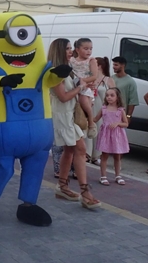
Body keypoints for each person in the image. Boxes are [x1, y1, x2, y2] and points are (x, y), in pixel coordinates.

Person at [48, 38, 101, 210]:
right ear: (59, 50)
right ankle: (84, 193)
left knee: (70, 150)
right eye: (68, 48)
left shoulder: (67, 70)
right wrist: (80, 87)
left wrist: (82, 84)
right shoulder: (56, 72)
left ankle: (63, 186)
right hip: (62, 116)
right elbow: (63, 96)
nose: (71, 51)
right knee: (80, 150)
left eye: (71, 48)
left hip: (68, 115)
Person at [94, 88, 129, 186]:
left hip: (117, 136)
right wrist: (88, 121)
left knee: (117, 156)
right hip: (106, 136)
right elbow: (96, 119)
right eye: (107, 95)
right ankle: (103, 176)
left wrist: (118, 123)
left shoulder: (120, 110)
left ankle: (118, 175)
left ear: (117, 97)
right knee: (104, 156)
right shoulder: (104, 109)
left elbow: (126, 124)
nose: (109, 97)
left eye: (112, 95)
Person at [86, 57, 116, 165]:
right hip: (90, 106)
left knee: (99, 131)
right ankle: (87, 153)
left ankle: (96, 155)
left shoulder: (108, 80)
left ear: (99, 66)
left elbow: (115, 95)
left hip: (101, 108)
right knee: (88, 129)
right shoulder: (90, 78)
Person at [69, 38, 98, 138]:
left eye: (90, 49)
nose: (89, 51)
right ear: (77, 49)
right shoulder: (72, 61)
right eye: (86, 48)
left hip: (85, 87)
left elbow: (94, 76)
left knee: (83, 99)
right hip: (74, 86)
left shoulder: (91, 60)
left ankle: (91, 122)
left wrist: (83, 82)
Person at [112, 56, 138, 125]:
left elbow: (132, 101)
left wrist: (128, 116)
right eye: (113, 65)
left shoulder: (130, 82)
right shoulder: (111, 78)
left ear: (123, 65)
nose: (113, 67)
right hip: (110, 115)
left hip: (121, 117)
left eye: (116, 65)